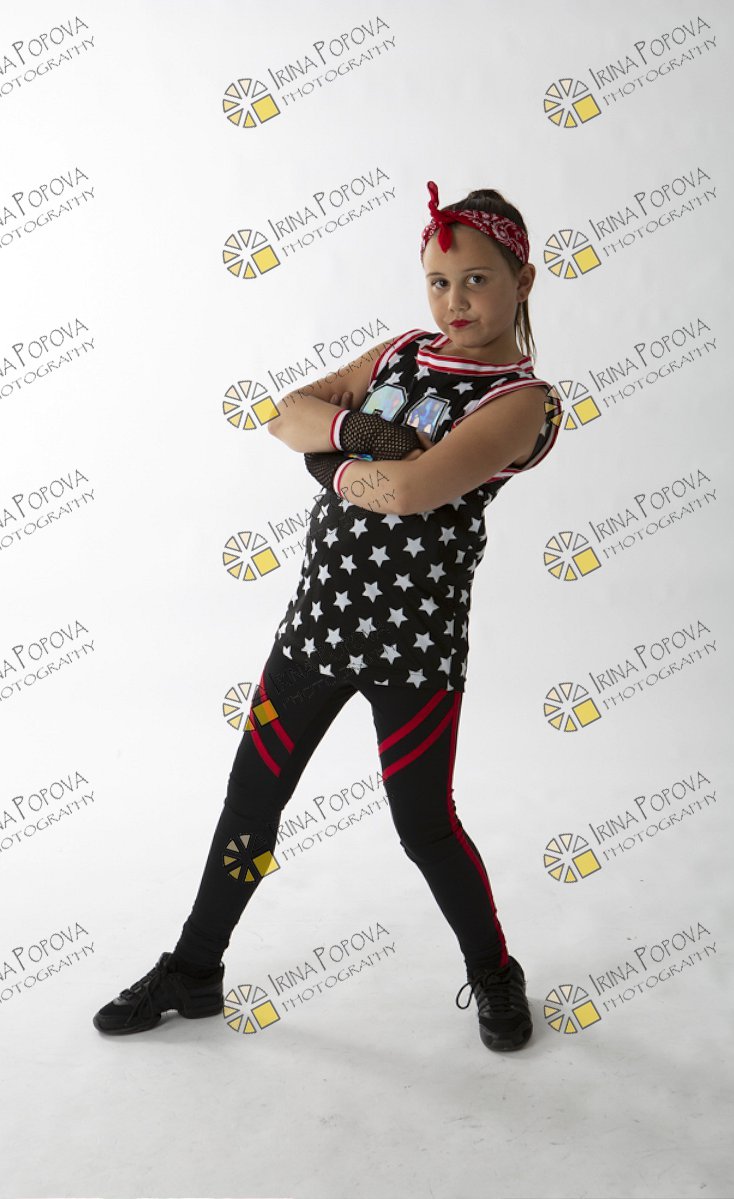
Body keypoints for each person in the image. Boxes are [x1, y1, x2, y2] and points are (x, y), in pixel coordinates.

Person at [93, 180, 563, 1051]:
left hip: (414, 647)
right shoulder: (401, 353)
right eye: (439, 282)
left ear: (522, 280)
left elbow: (412, 492)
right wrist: (364, 437)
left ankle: (495, 968)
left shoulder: (522, 400)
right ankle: (195, 966)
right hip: (315, 628)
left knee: (424, 825)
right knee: (251, 799)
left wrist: (329, 461)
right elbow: (286, 414)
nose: (455, 301)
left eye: (477, 280)